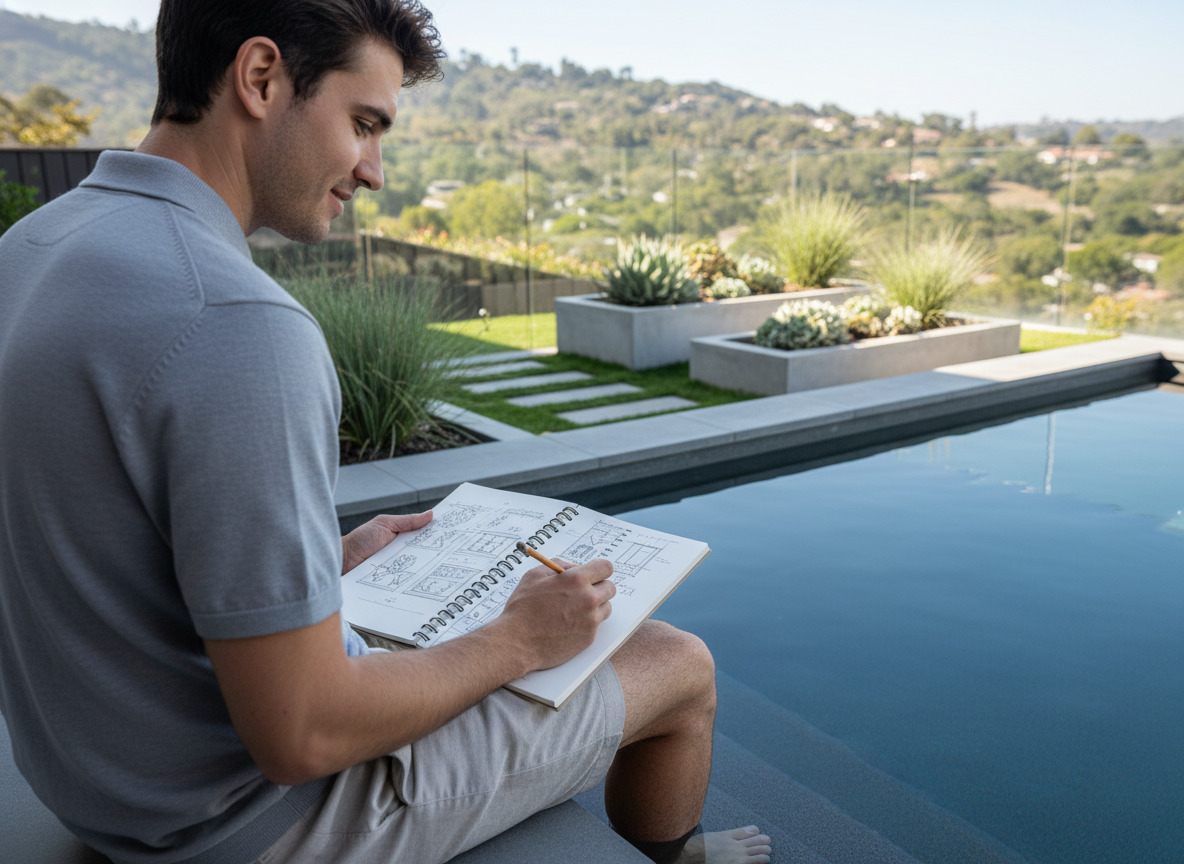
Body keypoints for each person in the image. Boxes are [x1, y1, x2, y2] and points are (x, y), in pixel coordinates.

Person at [0, 2, 772, 863]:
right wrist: (521, 637)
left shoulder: (33, 249)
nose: (373, 172)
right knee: (679, 664)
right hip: (246, 822)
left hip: (99, 786)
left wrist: (316, 561)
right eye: (363, 124)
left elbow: (96, 542)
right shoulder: (235, 321)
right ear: (261, 79)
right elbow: (304, 735)